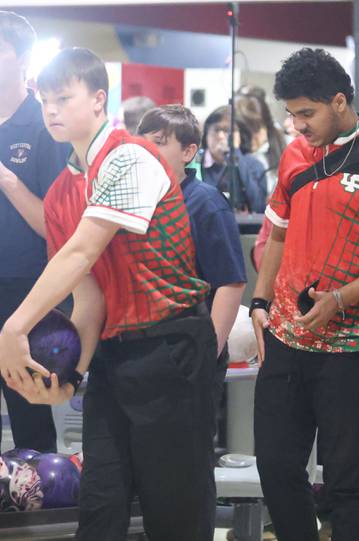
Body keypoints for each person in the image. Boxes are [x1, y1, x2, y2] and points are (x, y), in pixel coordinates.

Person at [0, 47, 217, 540]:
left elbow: (81, 251)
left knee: (174, 510)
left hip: (172, 345)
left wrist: (15, 325)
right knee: (100, 506)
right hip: (115, 357)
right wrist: (71, 375)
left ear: (99, 99)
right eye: (44, 99)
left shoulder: (129, 157)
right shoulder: (59, 193)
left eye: (64, 98)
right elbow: (89, 299)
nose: (51, 109)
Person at [249, 48, 359, 541]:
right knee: (277, 466)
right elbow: (277, 234)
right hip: (284, 336)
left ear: (340, 102)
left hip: (352, 344)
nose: (297, 124)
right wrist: (260, 304)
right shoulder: (294, 157)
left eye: (306, 113)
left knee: (347, 479)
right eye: (291, 113)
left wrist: (341, 299)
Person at [137, 104, 246, 413]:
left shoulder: (206, 202)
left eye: (158, 142)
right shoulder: (137, 200)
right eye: (143, 142)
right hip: (141, 354)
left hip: (187, 353)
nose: (147, 151)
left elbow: (231, 283)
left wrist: (206, 354)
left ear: (188, 152)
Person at [0, 11, 68, 453]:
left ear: (22, 59)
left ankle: (40, 511)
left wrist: (8, 181)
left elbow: (56, 228)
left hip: (26, 292)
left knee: (29, 415)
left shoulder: (46, 127)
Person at [200, 105, 268, 213]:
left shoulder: (254, 165)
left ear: (240, 135)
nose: (221, 136)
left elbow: (258, 206)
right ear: (206, 134)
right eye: (216, 129)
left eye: (227, 130)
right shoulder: (196, 163)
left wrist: (236, 154)